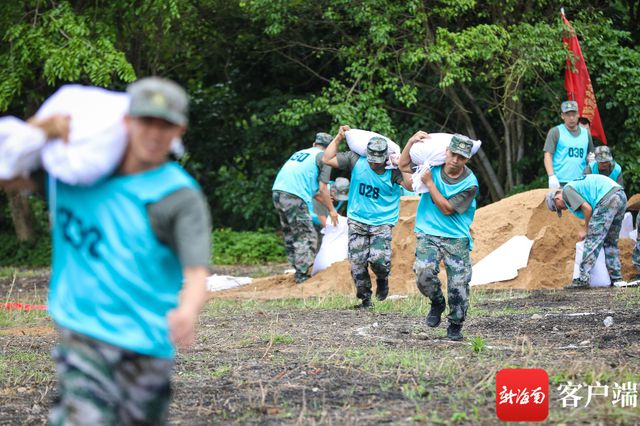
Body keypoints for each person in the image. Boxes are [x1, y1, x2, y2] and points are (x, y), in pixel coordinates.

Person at [0, 77, 212, 424]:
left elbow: (196, 271)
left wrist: (187, 311)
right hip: (84, 331)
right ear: (127, 122)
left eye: (166, 125)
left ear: (180, 131)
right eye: (147, 122)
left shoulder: (178, 195)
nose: (154, 134)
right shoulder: (74, 173)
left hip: (148, 339)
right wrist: (41, 131)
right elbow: (8, 173)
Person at [398, 132, 479, 341]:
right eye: (453, 154)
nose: (455, 160)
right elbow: (404, 168)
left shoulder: (470, 183)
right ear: (447, 152)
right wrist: (410, 141)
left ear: (467, 159)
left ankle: (455, 324)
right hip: (428, 232)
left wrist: (430, 183)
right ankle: (436, 302)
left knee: (459, 286)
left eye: (461, 157)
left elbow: (447, 209)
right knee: (423, 275)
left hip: (456, 237)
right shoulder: (430, 167)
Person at [323, 125, 413, 309]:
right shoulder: (356, 160)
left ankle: (382, 279)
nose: (374, 163)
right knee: (357, 262)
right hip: (357, 219)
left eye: (378, 160)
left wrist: (402, 165)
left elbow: (411, 186)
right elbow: (328, 158)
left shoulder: (392, 170)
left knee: (379, 260)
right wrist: (339, 137)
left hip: (382, 222)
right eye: (372, 159)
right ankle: (365, 300)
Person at [272, 132, 338, 283]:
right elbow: (323, 188)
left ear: (315, 144)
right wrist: (332, 210)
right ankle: (303, 276)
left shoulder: (302, 153)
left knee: (291, 233)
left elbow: (315, 192)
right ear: (329, 149)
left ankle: (298, 269)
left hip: (278, 192)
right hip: (294, 197)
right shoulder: (324, 157)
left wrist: (326, 201)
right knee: (306, 235)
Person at [545, 174, 626, 289]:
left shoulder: (567, 191)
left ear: (557, 199)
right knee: (610, 241)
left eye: (559, 208)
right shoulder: (576, 187)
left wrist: (586, 230)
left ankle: (583, 279)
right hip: (620, 195)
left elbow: (587, 209)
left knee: (592, 239)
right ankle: (616, 278)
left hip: (607, 197)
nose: (564, 209)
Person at [543, 100, 594, 189]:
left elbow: (591, 154)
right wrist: (551, 176)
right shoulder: (555, 132)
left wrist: (592, 160)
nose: (571, 118)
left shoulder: (586, 133)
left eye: (573, 114)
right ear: (563, 116)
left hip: (581, 181)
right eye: (568, 114)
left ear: (578, 114)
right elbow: (547, 155)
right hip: (560, 182)